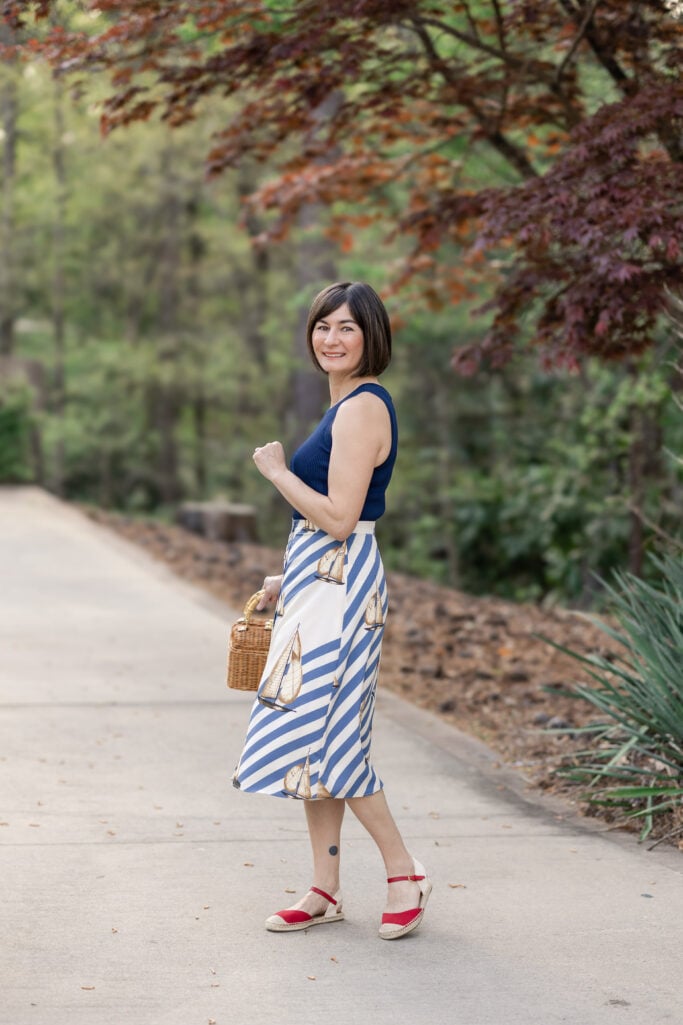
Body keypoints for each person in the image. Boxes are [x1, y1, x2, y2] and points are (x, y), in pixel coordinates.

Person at [232, 281, 431, 940]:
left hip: (344, 590)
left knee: (336, 741)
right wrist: (290, 578)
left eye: (346, 327)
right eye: (322, 326)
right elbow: (332, 527)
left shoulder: (362, 407)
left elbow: (343, 520)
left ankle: (404, 872)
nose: (331, 338)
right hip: (324, 582)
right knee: (309, 746)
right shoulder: (343, 404)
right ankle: (324, 887)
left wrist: (277, 472)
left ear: (370, 335)